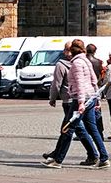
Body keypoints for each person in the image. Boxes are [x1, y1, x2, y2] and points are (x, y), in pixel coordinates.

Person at [42, 38, 107, 168]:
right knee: (93, 129)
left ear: (72, 51)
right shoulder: (86, 61)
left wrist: (81, 102)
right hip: (90, 99)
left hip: (80, 99)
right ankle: (104, 158)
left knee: (68, 129)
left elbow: (80, 84)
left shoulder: (77, 63)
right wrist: (96, 99)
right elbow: (94, 81)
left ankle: (58, 160)